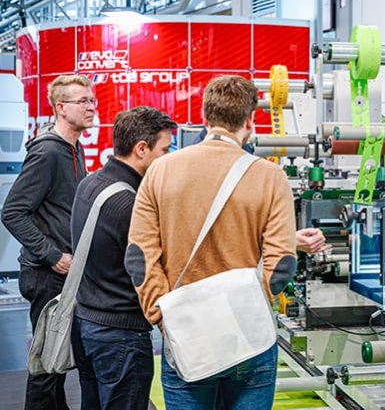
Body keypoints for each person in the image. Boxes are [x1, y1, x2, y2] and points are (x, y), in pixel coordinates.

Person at [125, 75, 297, 410]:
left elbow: (139, 258)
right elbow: (281, 266)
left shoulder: (161, 170)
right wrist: (248, 308)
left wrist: (161, 314)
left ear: (206, 119)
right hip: (250, 339)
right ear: (250, 120)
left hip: (187, 335)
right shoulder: (270, 176)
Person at [69, 106, 177, 410]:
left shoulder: (90, 184)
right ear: (141, 149)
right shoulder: (128, 205)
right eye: (165, 149)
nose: (168, 158)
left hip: (88, 325)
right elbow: (150, 268)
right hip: (121, 337)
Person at [1, 74, 95, 410]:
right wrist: (52, 254)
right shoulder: (48, 153)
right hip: (47, 276)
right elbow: (12, 212)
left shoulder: (74, 148)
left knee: (55, 362)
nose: (91, 106)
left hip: (64, 276)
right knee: (46, 365)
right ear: (60, 107)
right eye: (82, 101)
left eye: (91, 99)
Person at [193, 124, 329, 256]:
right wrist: (288, 241)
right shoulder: (208, 166)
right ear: (248, 122)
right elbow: (222, 234)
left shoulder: (240, 154)